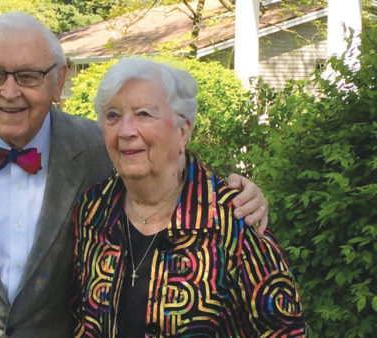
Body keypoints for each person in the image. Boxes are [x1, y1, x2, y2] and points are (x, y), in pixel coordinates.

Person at [0, 13, 269, 337]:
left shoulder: (102, 145)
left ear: (58, 80)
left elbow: (164, 173)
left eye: (28, 76)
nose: (10, 92)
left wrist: (241, 194)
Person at [71, 58, 306, 337]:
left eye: (144, 114)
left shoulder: (234, 218)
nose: (125, 131)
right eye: (112, 116)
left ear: (183, 130)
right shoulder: (91, 211)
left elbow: (284, 330)